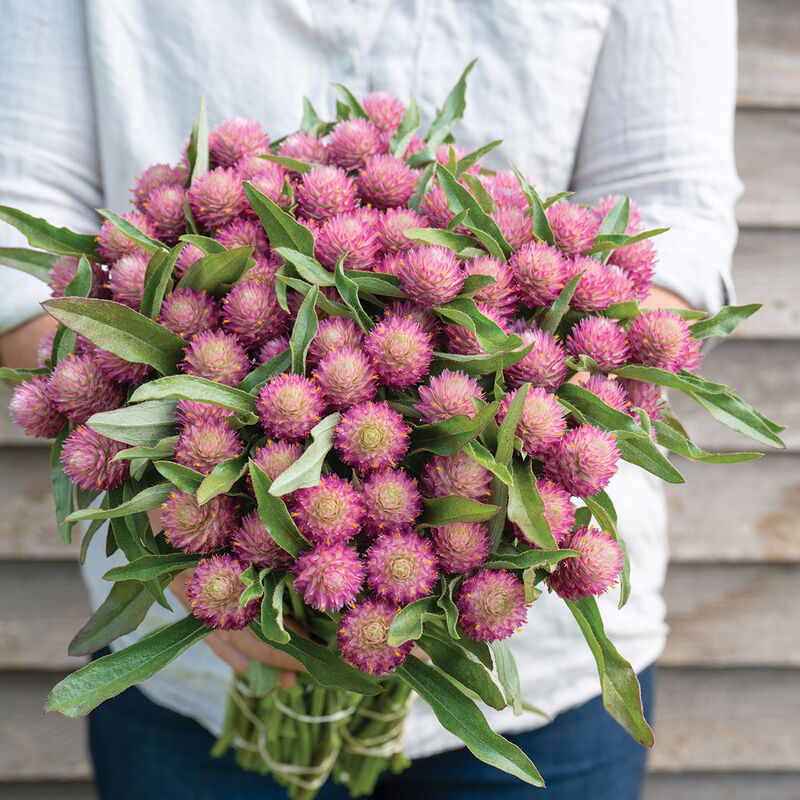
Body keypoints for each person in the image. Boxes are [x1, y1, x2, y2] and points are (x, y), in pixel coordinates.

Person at [0, 1, 741, 797]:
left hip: (541, 687)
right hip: (187, 681)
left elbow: (678, 218)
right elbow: (19, 244)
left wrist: (522, 462)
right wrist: (170, 502)